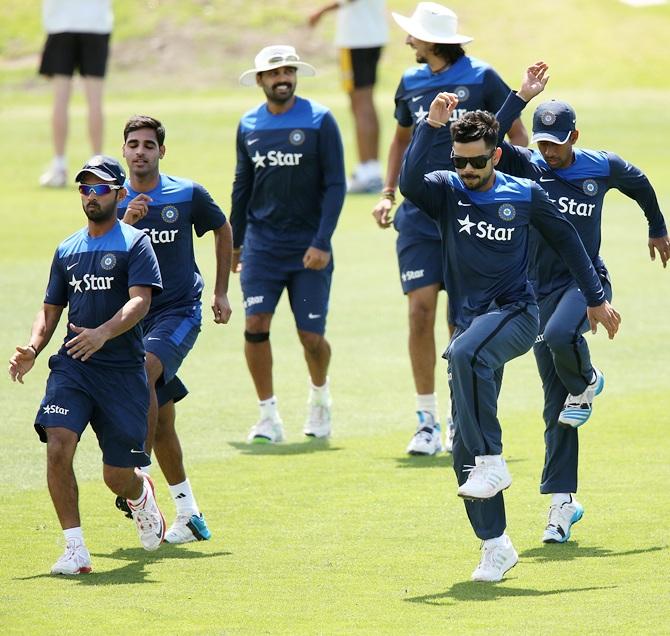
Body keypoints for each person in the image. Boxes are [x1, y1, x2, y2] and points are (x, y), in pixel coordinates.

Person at [399, 93, 621, 582]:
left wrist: (595, 299)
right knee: (462, 442)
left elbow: (569, 242)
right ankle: (495, 545)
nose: (468, 169)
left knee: (462, 353)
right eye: (460, 161)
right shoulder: (447, 190)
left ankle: (494, 459)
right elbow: (410, 182)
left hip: (518, 314)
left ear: (496, 155)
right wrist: (431, 129)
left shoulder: (523, 194)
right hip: (471, 324)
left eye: (477, 161)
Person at [491, 98, 669, 544]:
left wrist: (657, 227)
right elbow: (485, 137)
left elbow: (642, 183)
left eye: (556, 143)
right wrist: (521, 96)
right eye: (542, 142)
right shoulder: (526, 164)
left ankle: (589, 379)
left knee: (558, 339)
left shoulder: (599, 167)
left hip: (585, 283)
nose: (548, 151)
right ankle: (562, 505)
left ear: (574, 137)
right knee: (559, 407)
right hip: (536, 290)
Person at [371, 2, 529, 457]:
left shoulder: (482, 76)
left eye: (413, 35)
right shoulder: (410, 81)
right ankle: (426, 421)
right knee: (420, 310)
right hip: (421, 214)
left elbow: (514, 133)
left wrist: (508, 192)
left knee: (463, 317)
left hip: (470, 214)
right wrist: (387, 193)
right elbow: (402, 139)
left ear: (432, 41)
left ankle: (463, 415)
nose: (407, 42)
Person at [8, 156, 165, 575]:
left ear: (118, 193)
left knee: (117, 475)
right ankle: (75, 549)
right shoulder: (67, 248)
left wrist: (103, 332)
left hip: (121, 371)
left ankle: (140, 494)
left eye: (99, 188)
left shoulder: (135, 243)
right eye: (84, 188)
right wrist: (33, 347)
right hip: (74, 367)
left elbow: (140, 301)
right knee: (58, 443)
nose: (90, 195)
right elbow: (50, 310)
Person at [114, 115, 233, 544]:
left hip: (178, 312)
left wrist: (220, 292)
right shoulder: (113, 199)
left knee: (144, 370)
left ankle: (137, 474)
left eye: (149, 144)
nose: (141, 151)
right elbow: (99, 255)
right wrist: (126, 219)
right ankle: (189, 511)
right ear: (124, 151)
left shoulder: (187, 194)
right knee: (161, 418)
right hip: (131, 319)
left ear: (162, 151)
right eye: (134, 144)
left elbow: (222, 228)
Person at [232, 45, 346, 443]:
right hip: (262, 247)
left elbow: (336, 184)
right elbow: (242, 186)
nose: (283, 78)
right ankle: (268, 417)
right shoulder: (248, 125)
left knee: (310, 337)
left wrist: (322, 241)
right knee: (255, 324)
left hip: (308, 250)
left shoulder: (319, 120)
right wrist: (236, 243)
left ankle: (320, 398)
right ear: (260, 80)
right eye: (274, 73)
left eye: (288, 71)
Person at [308, 0, 388, 193]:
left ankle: (367, 173)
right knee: (365, 102)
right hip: (374, 34)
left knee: (360, 104)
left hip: (356, 39)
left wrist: (321, 10)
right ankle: (371, 170)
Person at [38, 0, 113, 187]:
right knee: (94, 100)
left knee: (61, 99)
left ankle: (59, 166)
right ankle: (98, 168)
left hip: (61, 24)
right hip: (95, 24)